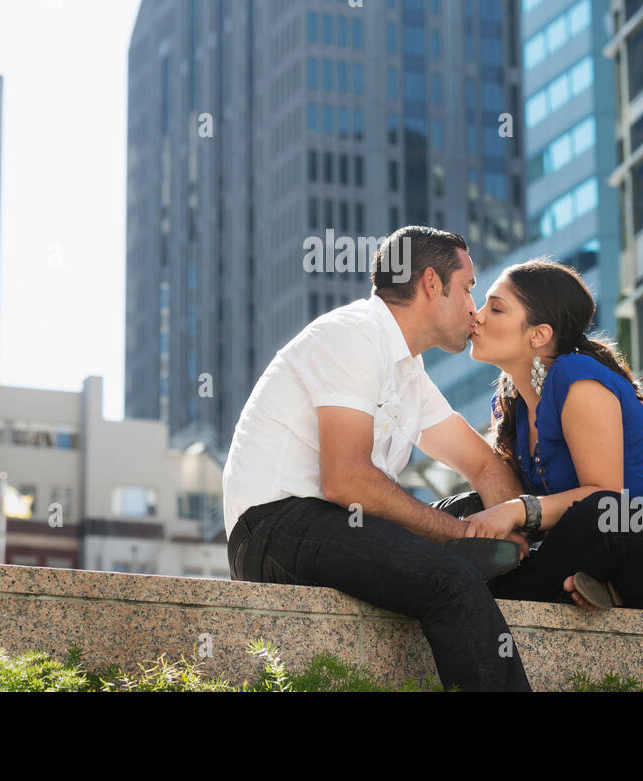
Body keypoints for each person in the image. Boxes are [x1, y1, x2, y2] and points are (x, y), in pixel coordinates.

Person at [223, 226, 532, 691]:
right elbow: (346, 480)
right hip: (275, 527)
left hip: (340, 522)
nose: (474, 309)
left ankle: (548, 575)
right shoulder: (353, 335)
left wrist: (515, 525)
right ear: (432, 283)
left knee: (483, 512)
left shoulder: (408, 371)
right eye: (468, 289)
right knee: (452, 579)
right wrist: (459, 534)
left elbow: (485, 466)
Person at [462, 259, 643, 614]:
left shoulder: (578, 379)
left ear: (539, 334)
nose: (478, 314)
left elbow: (605, 498)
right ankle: (599, 587)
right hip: (620, 553)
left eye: (496, 308)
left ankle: (487, 601)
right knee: (476, 506)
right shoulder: (511, 406)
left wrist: (517, 510)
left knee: (596, 512)